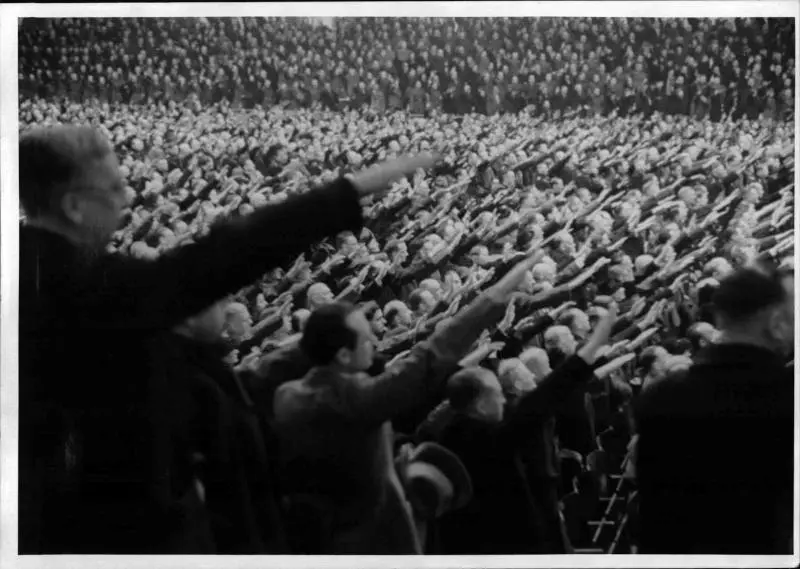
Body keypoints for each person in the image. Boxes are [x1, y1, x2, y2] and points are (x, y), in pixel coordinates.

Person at [17, 124, 436, 553]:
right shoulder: (89, 288)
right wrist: (347, 192)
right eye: (113, 187)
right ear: (72, 205)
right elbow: (223, 256)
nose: (125, 199)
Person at [271, 252, 545, 554]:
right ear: (343, 355)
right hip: (364, 541)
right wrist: (497, 293)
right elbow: (430, 355)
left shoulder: (288, 394)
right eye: (364, 340)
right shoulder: (358, 400)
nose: (373, 343)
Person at [635, 263, 794, 554]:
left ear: (720, 316)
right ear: (774, 321)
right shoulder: (787, 395)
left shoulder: (663, 394)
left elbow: (654, 513)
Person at [434, 305, 618, 553]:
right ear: (478, 403)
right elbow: (541, 400)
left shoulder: (446, 433)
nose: (502, 400)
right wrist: (590, 349)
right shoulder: (487, 438)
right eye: (497, 394)